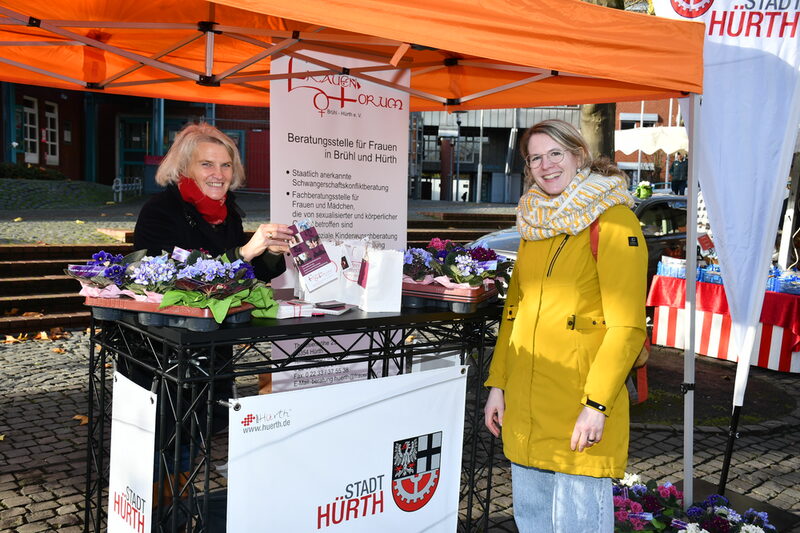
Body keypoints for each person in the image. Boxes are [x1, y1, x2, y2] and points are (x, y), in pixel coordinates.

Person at [483, 119, 647, 533]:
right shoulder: (533, 223)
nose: (546, 164)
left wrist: (596, 406)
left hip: (580, 407)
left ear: (578, 154)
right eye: (535, 157)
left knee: (579, 526)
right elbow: (513, 313)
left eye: (555, 153)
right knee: (533, 523)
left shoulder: (613, 221)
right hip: (525, 403)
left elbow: (627, 327)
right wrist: (498, 385)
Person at [134, 122, 291, 278]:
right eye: (207, 164)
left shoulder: (229, 213)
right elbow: (176, 276)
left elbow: (248, 274)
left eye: (226, 165)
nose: (219, 174)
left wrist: (271, 251)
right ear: (183, 168)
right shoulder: (159, 211)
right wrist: (243, 253)